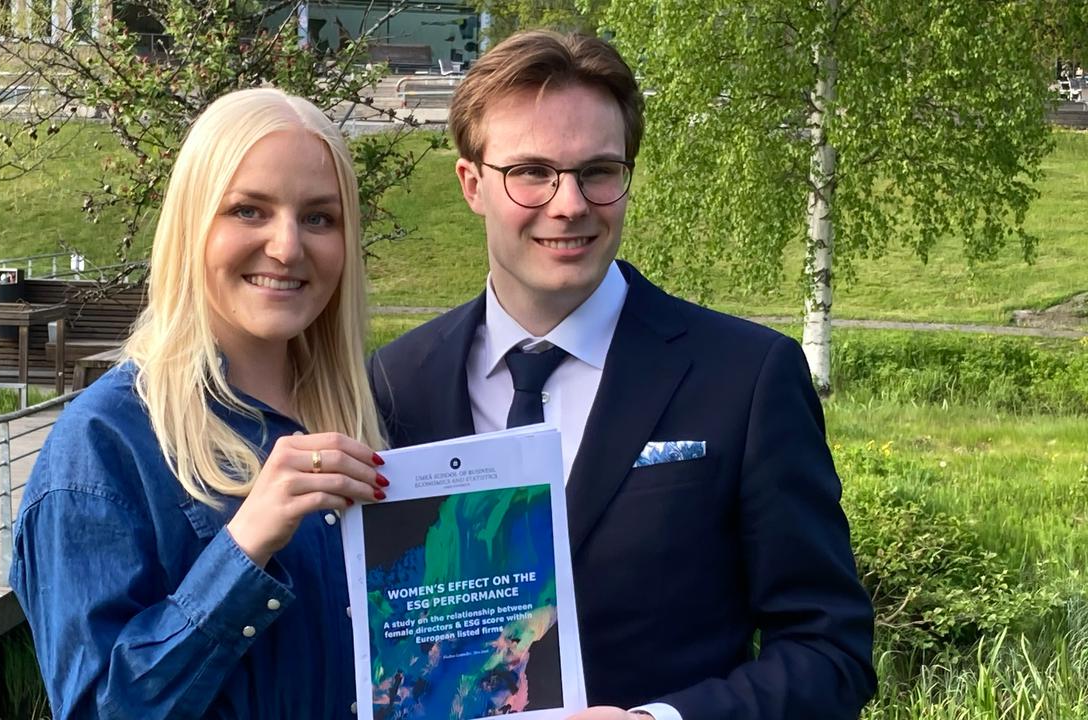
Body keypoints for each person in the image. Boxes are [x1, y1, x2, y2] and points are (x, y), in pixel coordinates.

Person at [368, 30, 877, 720]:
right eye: (532, 173)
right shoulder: (395, 383)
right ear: (472, 184)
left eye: (598, 172)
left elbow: (831, 653)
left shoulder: (746, 378)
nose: (570, 203)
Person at [10, 87, 389, 719]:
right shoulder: (106, 444)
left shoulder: (368, 420)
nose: (288, 246)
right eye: (249, 210)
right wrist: (244, 551)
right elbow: (98, 709)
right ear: (192, 226)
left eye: (319, 217)